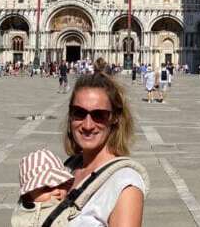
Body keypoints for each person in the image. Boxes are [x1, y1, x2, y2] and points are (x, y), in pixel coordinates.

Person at [55, 72, 147, 226]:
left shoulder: (125, 185)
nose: (87, 125)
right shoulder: (69, 168)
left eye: (99, 115)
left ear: (115, 118)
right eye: (79, 113)